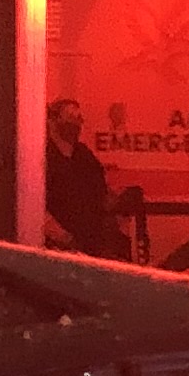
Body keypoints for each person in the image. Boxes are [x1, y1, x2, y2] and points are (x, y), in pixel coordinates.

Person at [42, 98, 127, 260]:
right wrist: (64, 238)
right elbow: (36, 207)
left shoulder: (84, 155)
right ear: (53, 121)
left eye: (79, 118)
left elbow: (101, 193)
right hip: (58, 248)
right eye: (70, 117)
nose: (76, 124)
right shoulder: (43, 157)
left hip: (91, 245)